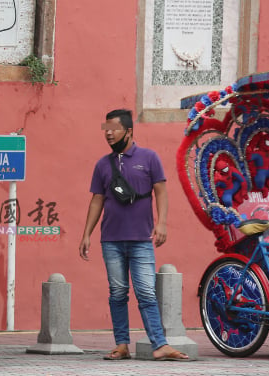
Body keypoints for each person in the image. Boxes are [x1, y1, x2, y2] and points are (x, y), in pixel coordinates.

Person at [78, 109, 189, 361]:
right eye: (105, 128)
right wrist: (86, 234)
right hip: (111, 240)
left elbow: (161, 191)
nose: (108, 133)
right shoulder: (102, 164)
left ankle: (160, 345)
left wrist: (161, 223)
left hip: (141, 239)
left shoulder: (149, 158)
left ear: (128, 131)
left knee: (146, 293)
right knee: (117, 293)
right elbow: (97, 200)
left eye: (113, 128)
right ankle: (121, 344)